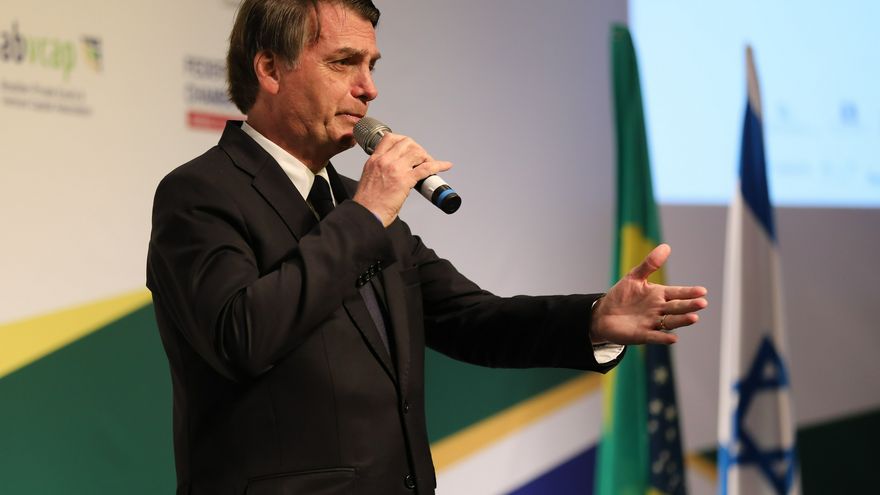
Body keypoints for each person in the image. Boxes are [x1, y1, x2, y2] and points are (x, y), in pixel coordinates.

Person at [146, 0, 708, 493]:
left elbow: (472, 318)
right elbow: (241, 337)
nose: (368, 88)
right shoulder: (200, 194)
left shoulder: (358, 205)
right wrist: (367, 214)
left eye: (371, 65)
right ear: (270, 68)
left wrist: (594, 320)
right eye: (343, 62)